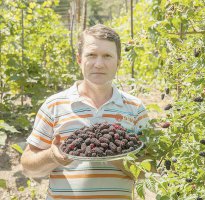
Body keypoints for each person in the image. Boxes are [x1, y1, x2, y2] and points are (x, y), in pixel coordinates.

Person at [21, 24, 150, 200]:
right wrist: (52, 156)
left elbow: (149, 170)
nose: (99, 64)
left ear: (118, 62)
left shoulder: (135, 109)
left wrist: (117, 156)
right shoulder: (54, 105)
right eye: (91, 55)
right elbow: (28, 168)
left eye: (107, 56)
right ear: (79, 59)